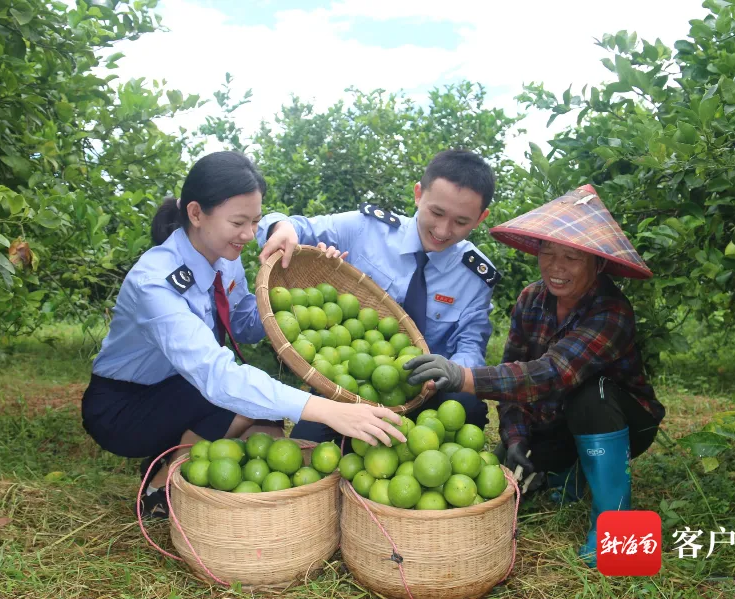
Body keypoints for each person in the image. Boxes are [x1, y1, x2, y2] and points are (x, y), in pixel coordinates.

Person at [81, 151, 404, 518]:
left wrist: (301, 289)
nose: (249, 235)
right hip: (124, 406)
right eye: (238, 222)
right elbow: (217, 378)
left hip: (182, 385)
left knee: (267, 432)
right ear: (196, 213)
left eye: (254, 221)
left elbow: (246, 323)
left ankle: (201, 471)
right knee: (240, 402)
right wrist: (328, 410)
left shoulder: (226, 257)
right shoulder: (155, 283)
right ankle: (159, 485)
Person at [402, 184, 665, 566]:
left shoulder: (612, 310)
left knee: (591, 393)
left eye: (572, 258)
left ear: (598, 263)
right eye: (548, 253)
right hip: (557, 419)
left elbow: (553, 373)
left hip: (622, 421)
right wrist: (514, 438)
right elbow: (515, 372)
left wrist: (465, 377)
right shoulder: (530, 299)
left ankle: (618, 529)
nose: (556, 267)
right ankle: (569, 475)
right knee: (503, 470)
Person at [257, 149, 501, 442]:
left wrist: (448, 373)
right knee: (307, 450)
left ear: (481, 217)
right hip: (348, 386)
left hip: (423, 394)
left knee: (467, 406)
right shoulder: (366, 229)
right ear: (418, 194)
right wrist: (281, 228)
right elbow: (291, 225)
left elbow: (471, 346)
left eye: (461, 222)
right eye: (436, 212)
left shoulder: (475, 275)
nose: (442, 229)